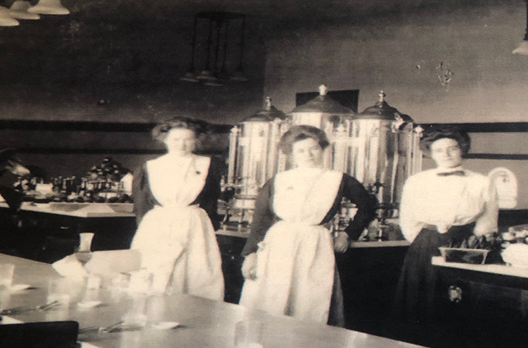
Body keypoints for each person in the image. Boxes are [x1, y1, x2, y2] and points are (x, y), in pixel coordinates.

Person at [239, 125, 376, 325]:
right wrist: (251, 255)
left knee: (310, 298)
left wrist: (348, 234)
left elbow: (367, 206)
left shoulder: (337, 179)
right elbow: (261, 219)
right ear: (291, 154)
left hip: (314, 242)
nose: (308, 154)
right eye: (301, 150)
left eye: (314, 148)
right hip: (279, 243)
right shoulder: (279, 180)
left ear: (322, 149)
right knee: (271, 296)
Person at [392, 126, 498, 324]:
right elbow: (408, 219)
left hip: (465, 244)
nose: (446, 154)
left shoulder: (482, 181)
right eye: (439, 150)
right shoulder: (417, 181)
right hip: (426, 243)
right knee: (421, 302)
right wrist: (427, 241)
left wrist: (473, 245)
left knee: (457, 301)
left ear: (462, 149)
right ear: (431, 153)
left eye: (452, 148)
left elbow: (488, 220)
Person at [131, 117, 225, 299]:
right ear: (165, 139)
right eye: (176, 139)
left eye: (188, 139)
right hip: (158, 224)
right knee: (156, 273)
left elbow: (211, 199)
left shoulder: (208, 165)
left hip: (195, 224)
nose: (181, 144)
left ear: (196, 140)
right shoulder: (150, 167)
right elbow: (141, 205)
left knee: (195, 272)